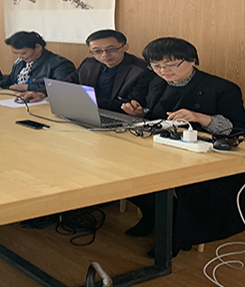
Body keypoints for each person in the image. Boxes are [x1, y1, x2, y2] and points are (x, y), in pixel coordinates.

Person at [121, 37, 245, 256]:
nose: (163, 71)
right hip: (163, 145)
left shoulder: (222, 88)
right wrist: (140, 114)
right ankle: (155, 216)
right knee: (125, 171)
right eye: (156, 65)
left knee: (190, 186)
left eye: (171, 64)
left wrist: (200, 117)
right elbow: (157, 115)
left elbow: (237, 128)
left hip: (205, 153)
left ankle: (178, 237)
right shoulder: (157, 82)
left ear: (192, 60)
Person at [17, 29, 153, 111]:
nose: (104, 55)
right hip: (86, 112)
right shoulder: (89, 64)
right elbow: (67, 82)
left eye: (111, 49)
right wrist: (42, 93)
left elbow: (132, 105)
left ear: (125, 47)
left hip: (119, 117)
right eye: (97, 51)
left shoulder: (140, 70)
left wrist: (82, 100)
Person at [0, 31, 75, 91]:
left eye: (23, 53)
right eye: (16, 53)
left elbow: (62, 88)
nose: (19, 57)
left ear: (38, 47)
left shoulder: (60, 64)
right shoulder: (20, 62)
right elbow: (10, 79)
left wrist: (28, 87)